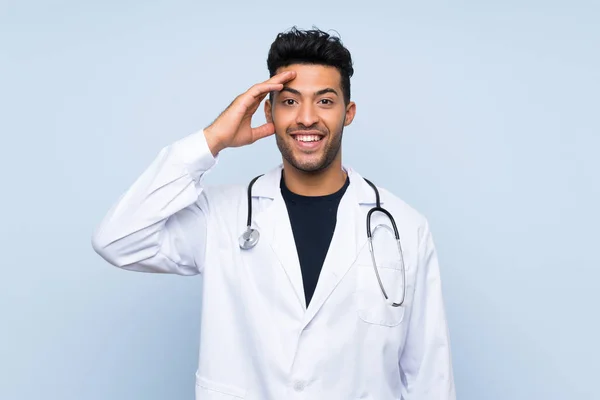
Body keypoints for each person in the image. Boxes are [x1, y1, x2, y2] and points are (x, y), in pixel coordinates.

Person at [92, 27, 456, 400]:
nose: (307, 118)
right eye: (290, 101)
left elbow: (430, 378)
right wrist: (213, 139)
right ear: (268, 110)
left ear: (348, 113)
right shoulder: (220, 216)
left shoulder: (404, 228)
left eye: (325, 101)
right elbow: (118, 240)